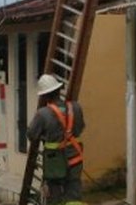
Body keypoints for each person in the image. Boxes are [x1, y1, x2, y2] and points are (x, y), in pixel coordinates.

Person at [27, 74, 85, 205]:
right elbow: (80, 129)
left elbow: (31, 135)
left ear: (44, 96)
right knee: (74, 195)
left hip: (55, 162)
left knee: (54, 196)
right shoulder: (76, 108)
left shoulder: (42, 114)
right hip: (75, 158)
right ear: (59, 90)